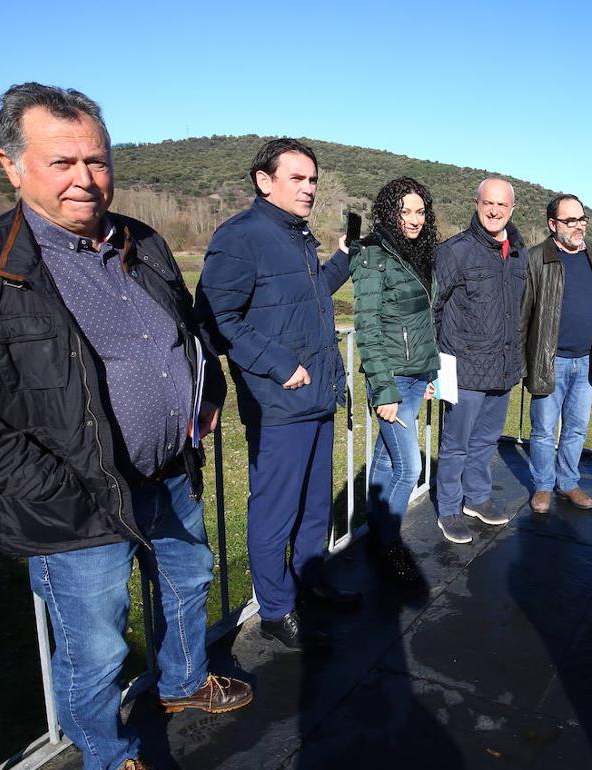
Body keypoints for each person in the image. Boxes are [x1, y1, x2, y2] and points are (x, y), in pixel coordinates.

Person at [0, 83, 250, 770]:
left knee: (187, 581)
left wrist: (206, 388)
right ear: (11, 165)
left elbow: (184, 331)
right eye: (62, 163)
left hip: (169, 473)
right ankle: (106, 753)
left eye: (98, 159)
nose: (86, 178)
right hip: (72, 505)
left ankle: (180, 683)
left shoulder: (141, 241)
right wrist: (43, 479)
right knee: (98, 648)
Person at [196, 139, 360, 653]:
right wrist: (278, 363)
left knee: (315, 508)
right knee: (275, 512)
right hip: (278, 402)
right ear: (264, 182)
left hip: (316, 396)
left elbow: (303, 296)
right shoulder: (242, 237)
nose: (309, 187)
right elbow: (216, 317)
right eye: (298, 178)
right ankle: (275, 610)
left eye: (313, 179)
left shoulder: (296, 236)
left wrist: (343, 258)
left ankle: (309, 582)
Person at [349, 177, 439, 587]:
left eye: (420, 211)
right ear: (390, 211)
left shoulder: (418, 253)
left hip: (416, 375)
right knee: (410, 467)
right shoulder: (374, 255)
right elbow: (366, 326)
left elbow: (421, 321)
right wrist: (382, 391)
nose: (414, 219)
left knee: (386, 460)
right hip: (393, 380)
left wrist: (430, 371)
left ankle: (377, 533)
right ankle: (390, 547)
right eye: (405, 211)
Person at [431, 178, 528, 543]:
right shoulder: (454, 251)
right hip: (464, 368)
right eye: (488, 203)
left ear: (512, 209)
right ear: (476, 203)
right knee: (455, 443)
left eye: (502, 205)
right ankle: (451, 509)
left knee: (486, 440)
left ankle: (478, 498)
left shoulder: (520, 253)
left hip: (502, 368)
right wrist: (435, 365)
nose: (494, 210)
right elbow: (433, 308)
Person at [520, 194, 592, 514]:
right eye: (570, 220)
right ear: (553, 224)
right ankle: (543, 486)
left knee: (576, 428)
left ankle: (568, 482)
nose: (578, 226)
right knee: (543, 429)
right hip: (549, 360)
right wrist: (522, 361)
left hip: (586, 360)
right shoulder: (535, 259)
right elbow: (523, 314)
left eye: (582, 219)